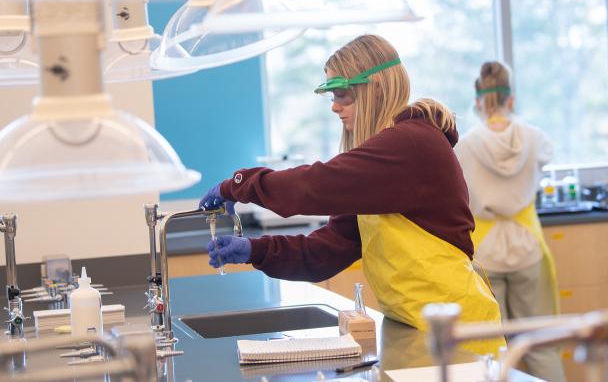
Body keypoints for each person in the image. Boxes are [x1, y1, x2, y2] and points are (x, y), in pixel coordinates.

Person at [199, 34, 504, 355]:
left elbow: (315, 186)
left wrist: (238, 184)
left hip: (457, 331)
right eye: (331, 95)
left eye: (343, 93)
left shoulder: (410, 144)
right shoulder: (388, 162)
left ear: (377, 87)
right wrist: (255, 251)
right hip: (416, 329)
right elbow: (325, 252)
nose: (335, 106)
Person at [454, 61, 566, 381]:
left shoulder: (466, 146)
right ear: (511, 100)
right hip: (527, 244)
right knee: (542, 342)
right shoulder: (535, 138)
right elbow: (546, 159)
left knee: (492, 346)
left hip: (485, 251)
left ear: (478, 102)